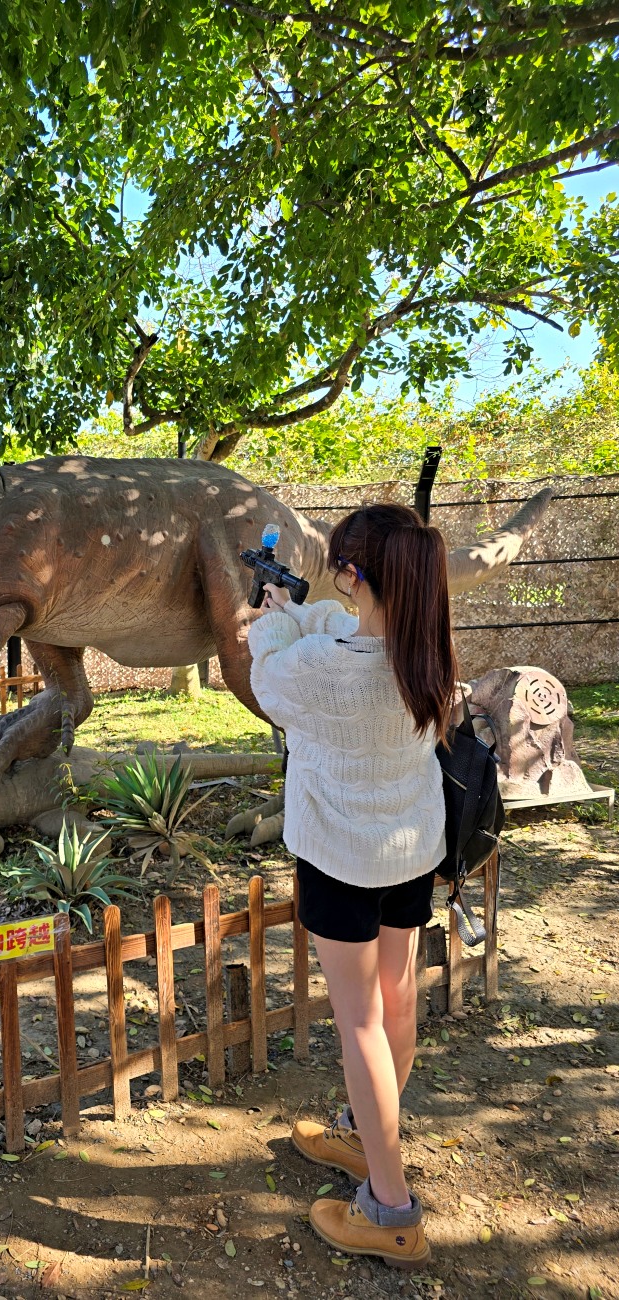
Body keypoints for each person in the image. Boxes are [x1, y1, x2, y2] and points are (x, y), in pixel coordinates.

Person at [246, 501, 457, 1270]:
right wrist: (297, 612)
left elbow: (268, 675)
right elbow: (335, 632)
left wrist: (268, 616)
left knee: (358, 1022)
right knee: (395, 1002)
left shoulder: (321, 669)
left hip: (338, 854)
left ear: (349, 574)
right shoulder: (426, 652)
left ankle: (390, 1208)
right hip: (408, 847)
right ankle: (361, 1132)